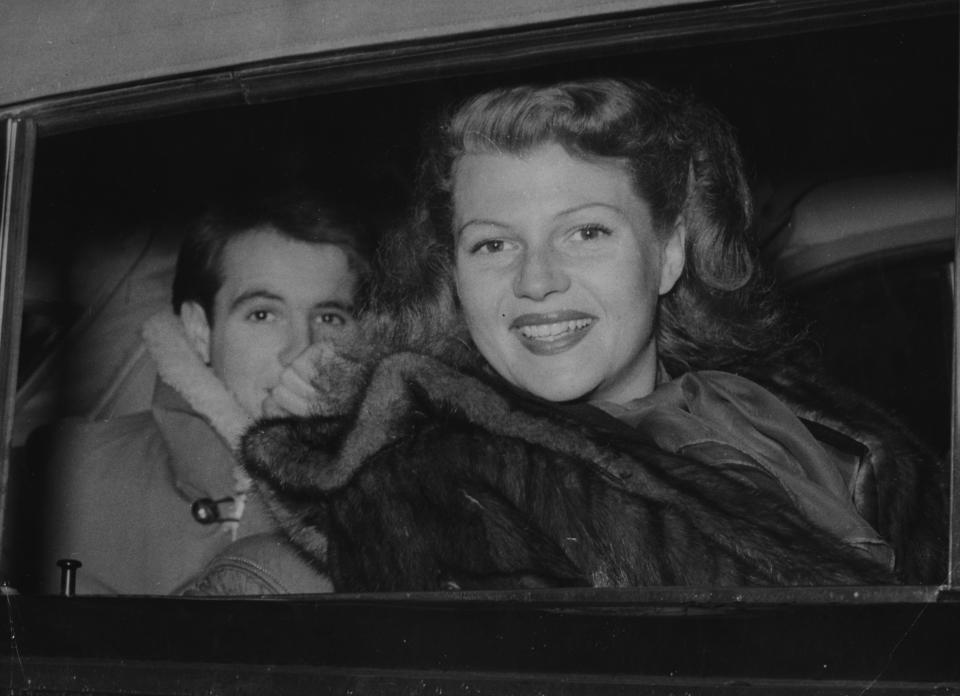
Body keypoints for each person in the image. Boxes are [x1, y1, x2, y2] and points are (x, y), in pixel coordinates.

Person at [192, 79, 947, 593]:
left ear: (670, 253)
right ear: (453, 272)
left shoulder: (788, 424)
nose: (537, 279)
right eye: (492, 244)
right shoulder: (433, 492)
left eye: (586, 232)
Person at [37, 191, 370, 595]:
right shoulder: (65, 477)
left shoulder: (400, 489)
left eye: (330, 317)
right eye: (263, 314)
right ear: (201, 330)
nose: (299, 347)